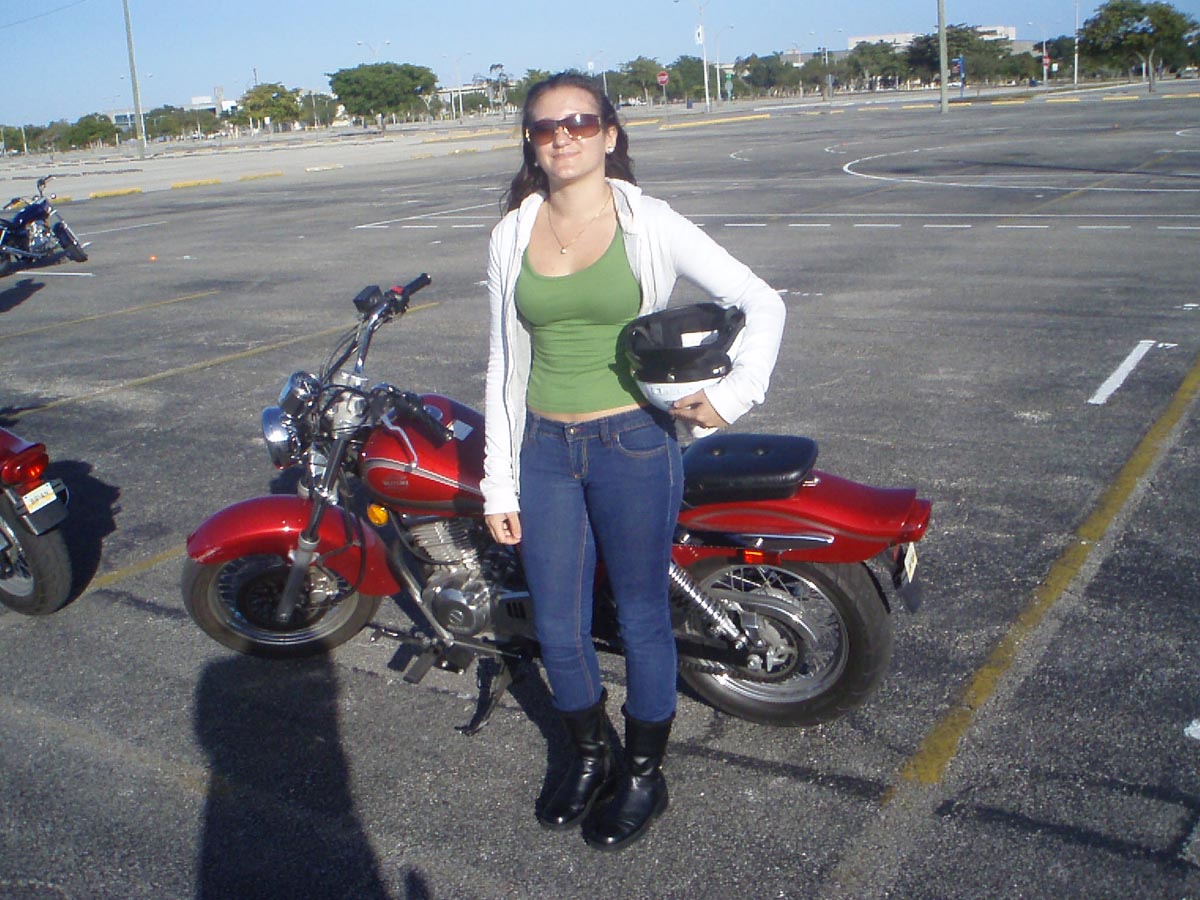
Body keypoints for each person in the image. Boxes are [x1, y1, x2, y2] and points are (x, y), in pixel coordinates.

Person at [482, 72, 785, 851]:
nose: (565, 136)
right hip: (544, 449)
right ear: (531, 143)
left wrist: (735, 396)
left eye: (581, 122)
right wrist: (498, 480)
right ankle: (590, 754)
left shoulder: (648, 222)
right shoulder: (512, 233)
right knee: (557, 621)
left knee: (644, 614)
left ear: (609, 135)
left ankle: (645, 774)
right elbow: (504, 362)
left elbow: (762, 299)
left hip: (634, 444)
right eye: (547, 126)